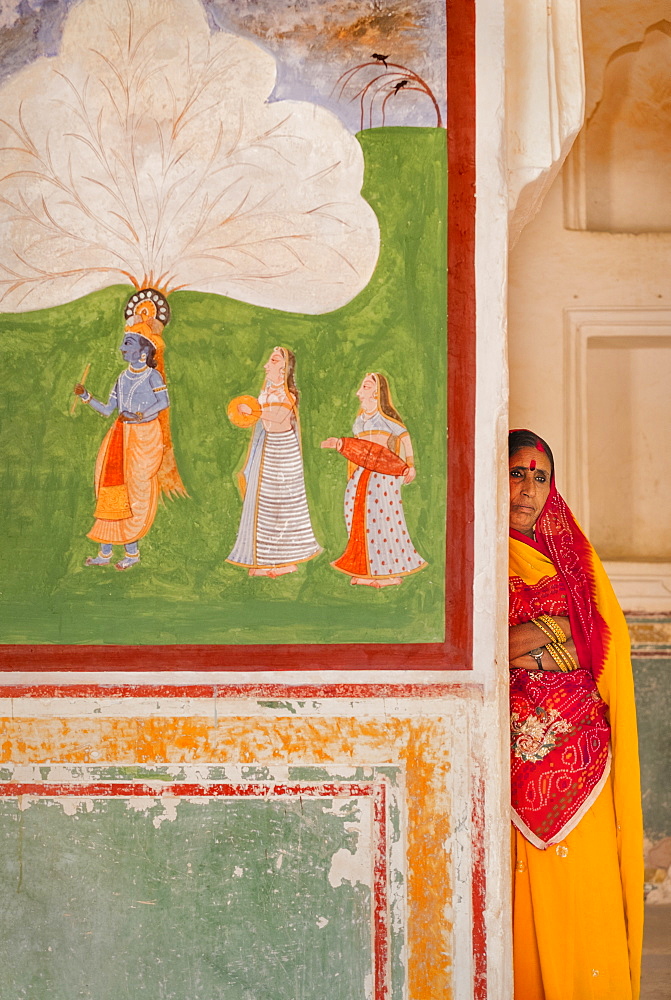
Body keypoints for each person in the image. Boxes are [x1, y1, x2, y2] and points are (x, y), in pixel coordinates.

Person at [507, 428, 643, 1000]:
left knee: (583, 886)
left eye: (540, 477)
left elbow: (607, 640)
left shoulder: (574, 554)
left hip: (584, 755)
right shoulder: (471, 551)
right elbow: (479, 643)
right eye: (516, 473)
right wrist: (557, 632)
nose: (528, 489)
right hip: (511, 755)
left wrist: (529, 642)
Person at [73, 328, 169, 570]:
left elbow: (163, 402)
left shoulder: (152, 376)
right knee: (109, 489)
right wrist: (86, 396)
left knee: (133, 495)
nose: (121, 348)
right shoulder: (122, 378)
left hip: (143, 438)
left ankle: (132, 553)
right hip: (119, 436)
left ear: (143, 351)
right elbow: (108, 410)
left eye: (127, 344)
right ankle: (105, 553)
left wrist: (139, 415)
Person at [321, 372, 427, 587]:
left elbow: (404, 437)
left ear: (377, 393)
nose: (360, 392)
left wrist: (411, 465)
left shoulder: (385, 420)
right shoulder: (360, 419)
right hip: (361, 474)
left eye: (366, 386)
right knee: (356, 515)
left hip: (383, 476)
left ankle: (389, 572)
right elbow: (361, 450)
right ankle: (366, 571)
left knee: (382, 520)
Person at [227, 347, 321, 577]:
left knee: (284, 505)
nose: (266, 365)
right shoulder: (265, 393)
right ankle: (265, 562)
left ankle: (287, 561)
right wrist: (247, 412)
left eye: (273, 360)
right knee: (265, 506)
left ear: (284, 368)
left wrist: (254, 411)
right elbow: (256, 420)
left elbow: (278, 418)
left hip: (284, 452)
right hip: (267, 449)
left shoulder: (288, 395)